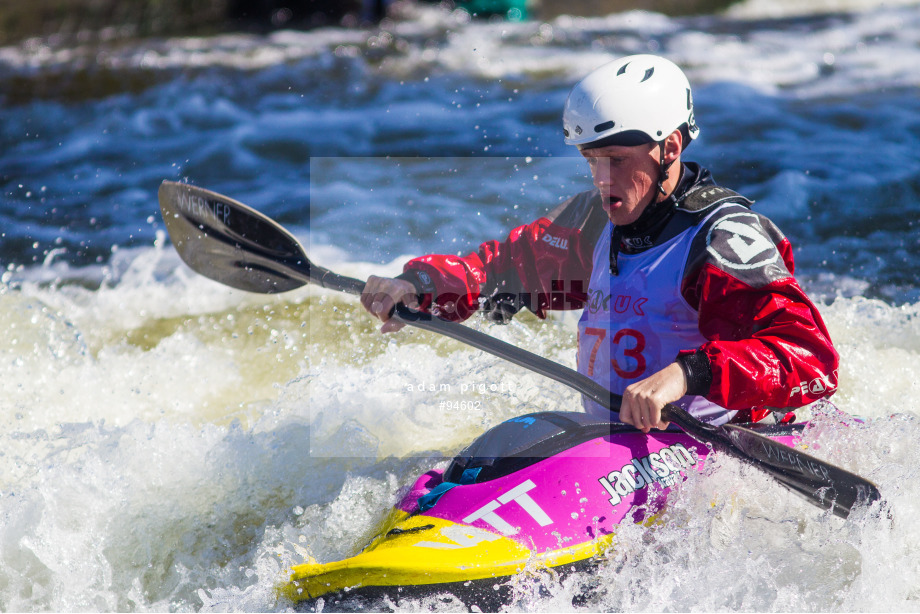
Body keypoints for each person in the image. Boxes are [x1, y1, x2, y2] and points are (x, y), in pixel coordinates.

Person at [360, 54, 838, 433]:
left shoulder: (722, 240)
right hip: (610, 443)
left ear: (669, 148)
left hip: (705, 445)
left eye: (616, 159)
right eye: (591, 160)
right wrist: (418, 283)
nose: (602, 179)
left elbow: (809, 358)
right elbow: (503, 267)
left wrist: (687, 375)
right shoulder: (594, 220)